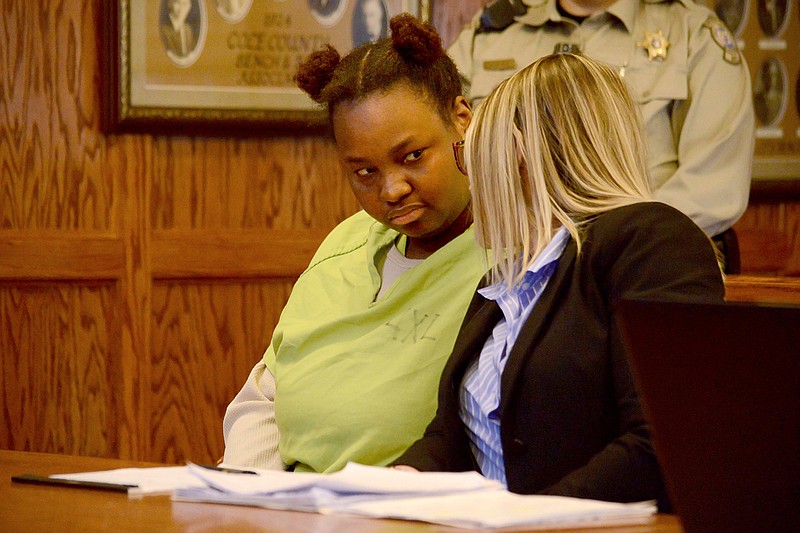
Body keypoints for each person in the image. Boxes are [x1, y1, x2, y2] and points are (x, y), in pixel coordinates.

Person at [394, 53, 725, 511]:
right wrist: (390, 484)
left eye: (472, 156)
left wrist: (529, 518)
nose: (471, 177)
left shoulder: (652, 242)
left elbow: (660, 442)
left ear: (520, 155)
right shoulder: (504, 278)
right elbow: (450, 437)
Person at [222, 14, 484, 473]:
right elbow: (267, 393)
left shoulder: (514, 250)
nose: (392, 189)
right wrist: (249, 497)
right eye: (365, 172)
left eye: (412, 157)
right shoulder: (346, 242)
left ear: (461, 119)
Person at [448, 0, 754, 271]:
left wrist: (598, 244)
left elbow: (712, 187)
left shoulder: (692, 33)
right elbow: (448, 149)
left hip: (637, 263)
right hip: (507, 261)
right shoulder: (492, 32)